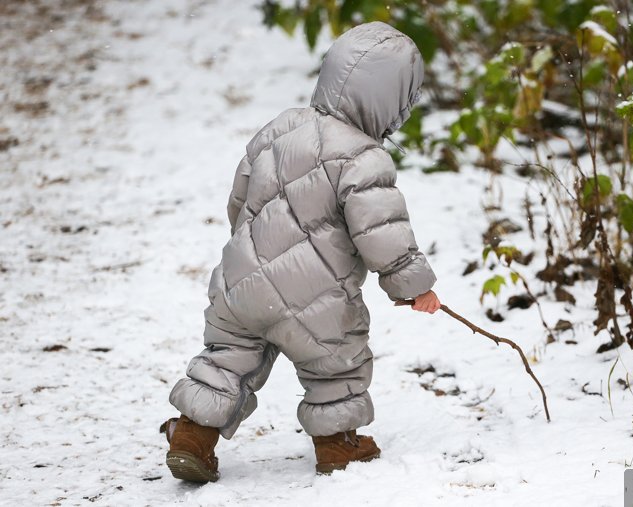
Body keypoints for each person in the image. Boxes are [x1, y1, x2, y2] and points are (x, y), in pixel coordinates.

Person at [161, 21, 440, 483]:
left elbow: (239, 200)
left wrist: (250, 256)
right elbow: (381, 231)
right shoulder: (364, 157)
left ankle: (192, 435)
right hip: (318, 301)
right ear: (391, 102)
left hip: (241, 286)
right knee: (336, 365)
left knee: (225, 360)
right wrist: (413, 286)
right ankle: (337, 446)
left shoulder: (278, 128)